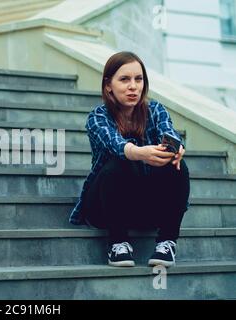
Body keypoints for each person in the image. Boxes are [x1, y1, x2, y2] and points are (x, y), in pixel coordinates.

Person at [69, 51, 190, 268]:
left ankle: (167, 242)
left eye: (138, 79)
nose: (133, 86)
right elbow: (114, 143)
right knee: (121, 162)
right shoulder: (98, 117)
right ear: (108, 85)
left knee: (177, 165)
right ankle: (118, 244)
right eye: (124, 79)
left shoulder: (156, 110)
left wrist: (177, 148)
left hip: (145, 206)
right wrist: (140, 152)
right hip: (104, 207)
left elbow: (168, 131)